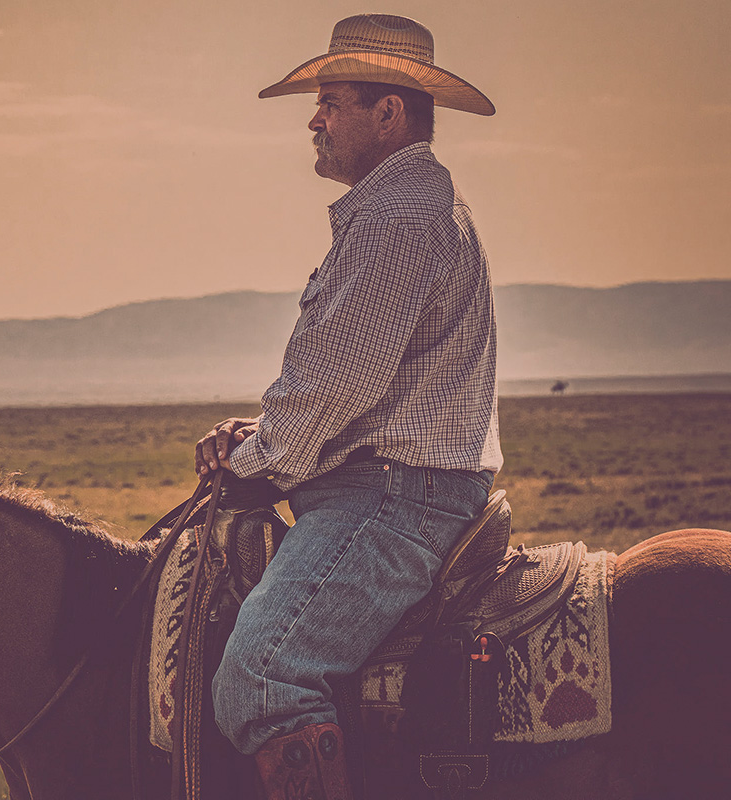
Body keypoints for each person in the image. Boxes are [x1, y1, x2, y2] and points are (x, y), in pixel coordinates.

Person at [193, 14, 502, 799]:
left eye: (333, 101)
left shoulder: (397, 217)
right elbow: (352, 385)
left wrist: (252, 459)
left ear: (389, 113)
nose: (314, 118)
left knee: (260, 675)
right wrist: (263, 437)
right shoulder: (400, 209)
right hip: (393, 483)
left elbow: (339, 385)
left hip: (395, 497)